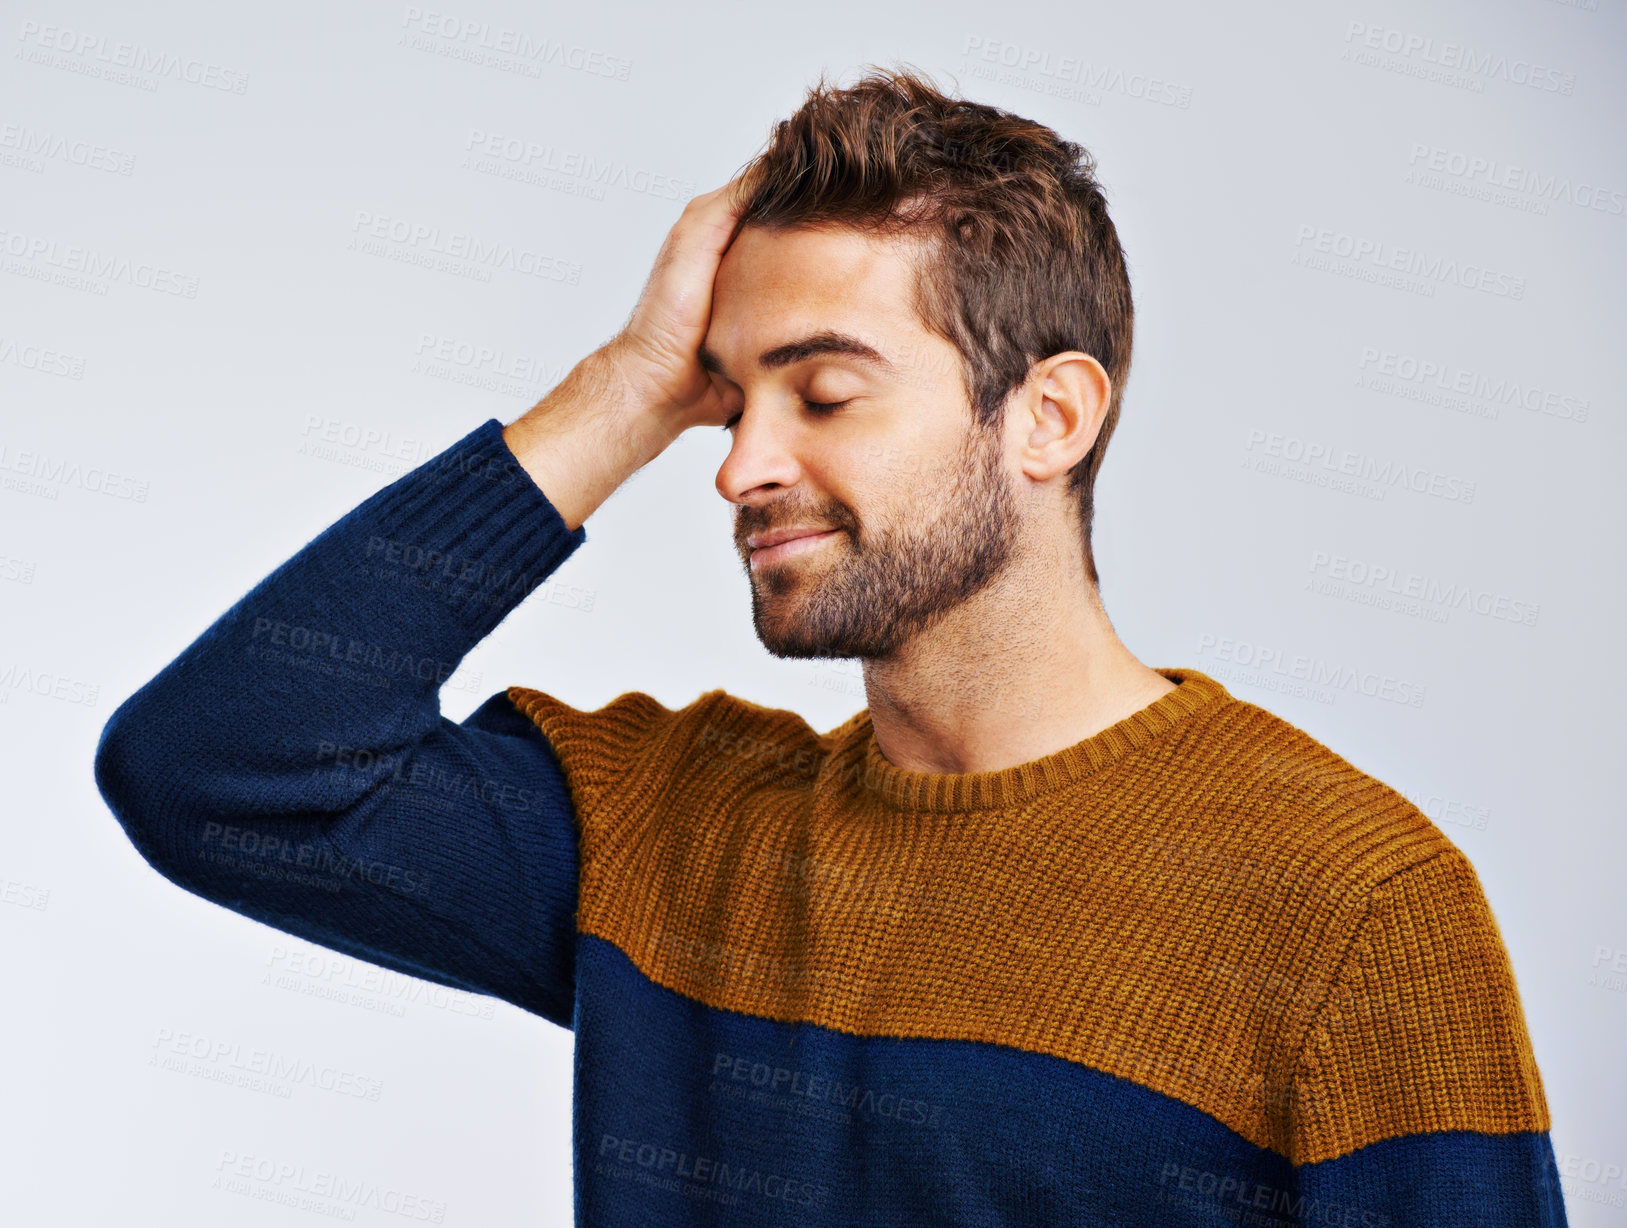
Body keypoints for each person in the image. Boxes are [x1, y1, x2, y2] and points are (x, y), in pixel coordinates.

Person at [94, 66, 1566, 1226]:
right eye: (728, 401)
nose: (737, 467)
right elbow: (211, 767)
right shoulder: (662, 834)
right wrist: (620, 391)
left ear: (1048, 417)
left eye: (827, 393)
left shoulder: (1355, 907)